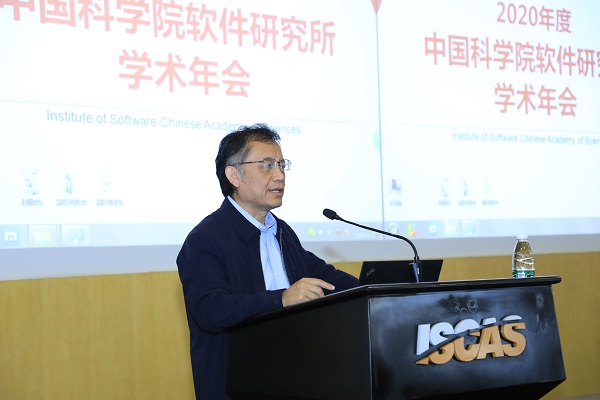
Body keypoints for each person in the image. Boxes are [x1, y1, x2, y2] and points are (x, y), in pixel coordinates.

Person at [176, 123, 359, 399]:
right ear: (234, 175)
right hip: (236, 387)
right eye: (267, 165)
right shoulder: (205, 239)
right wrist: (281, 299)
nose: (280, 175)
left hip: (292, 381)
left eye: (282, 165)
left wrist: (379, 289)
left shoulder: (282, 232)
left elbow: (325, 277)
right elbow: (210, 309)